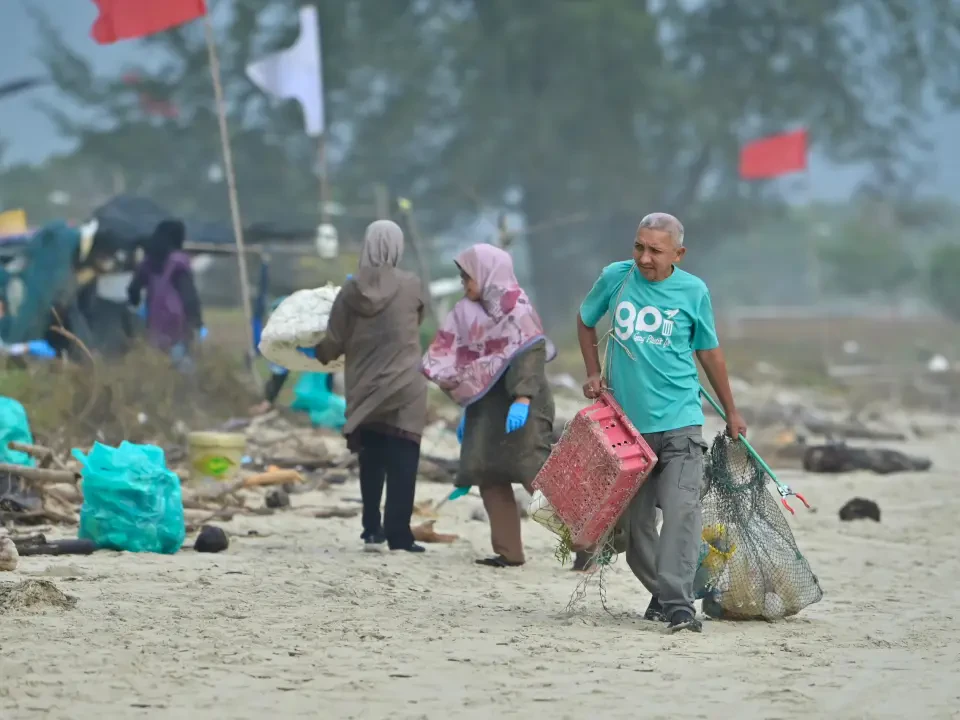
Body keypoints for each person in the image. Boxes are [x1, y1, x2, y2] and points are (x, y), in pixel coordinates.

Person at [577, 212, 746, 633]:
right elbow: (585, 319)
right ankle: (667, 592)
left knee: (681, 509)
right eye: (639, 247)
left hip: (680, 420)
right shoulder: (616, 279)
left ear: (678, 253)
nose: (644, 258)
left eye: (655, 250)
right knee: (636, 531)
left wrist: (731, 411)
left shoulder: (693, 291)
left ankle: (678, 604)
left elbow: (709, 353)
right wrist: (593, 372)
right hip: (627, 430)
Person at [422, 243, 555, 568]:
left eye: (468, 277)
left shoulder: (516, 308)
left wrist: (522, 399)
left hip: (523, 403)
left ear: (487, 274)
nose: (464, 284)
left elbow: (530, 352)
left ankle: (586, 545)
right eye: (462, 277)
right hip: (484, 407)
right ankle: (508, 551)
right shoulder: (465, 313)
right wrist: (468, 408)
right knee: (488, 474)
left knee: (536, 476)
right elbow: (461, 360)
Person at [314, 220, 427, 554]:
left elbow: (333, 340)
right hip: (406, 384)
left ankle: (371, 529)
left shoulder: (350, 291)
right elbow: (416, 323)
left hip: (364, 386)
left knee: (372, 458)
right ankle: (400, 535)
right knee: (404, 458)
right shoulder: (412, 285)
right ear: (397, 246)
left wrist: (314, 353)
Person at [127, 219, 202, 363]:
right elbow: (189, 296)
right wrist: (197, 322)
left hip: (155, 326)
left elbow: (133, 290)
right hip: (178, 326)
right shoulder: (179, 262)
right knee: (182, 369)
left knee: (158, 367)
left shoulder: (149, 262)